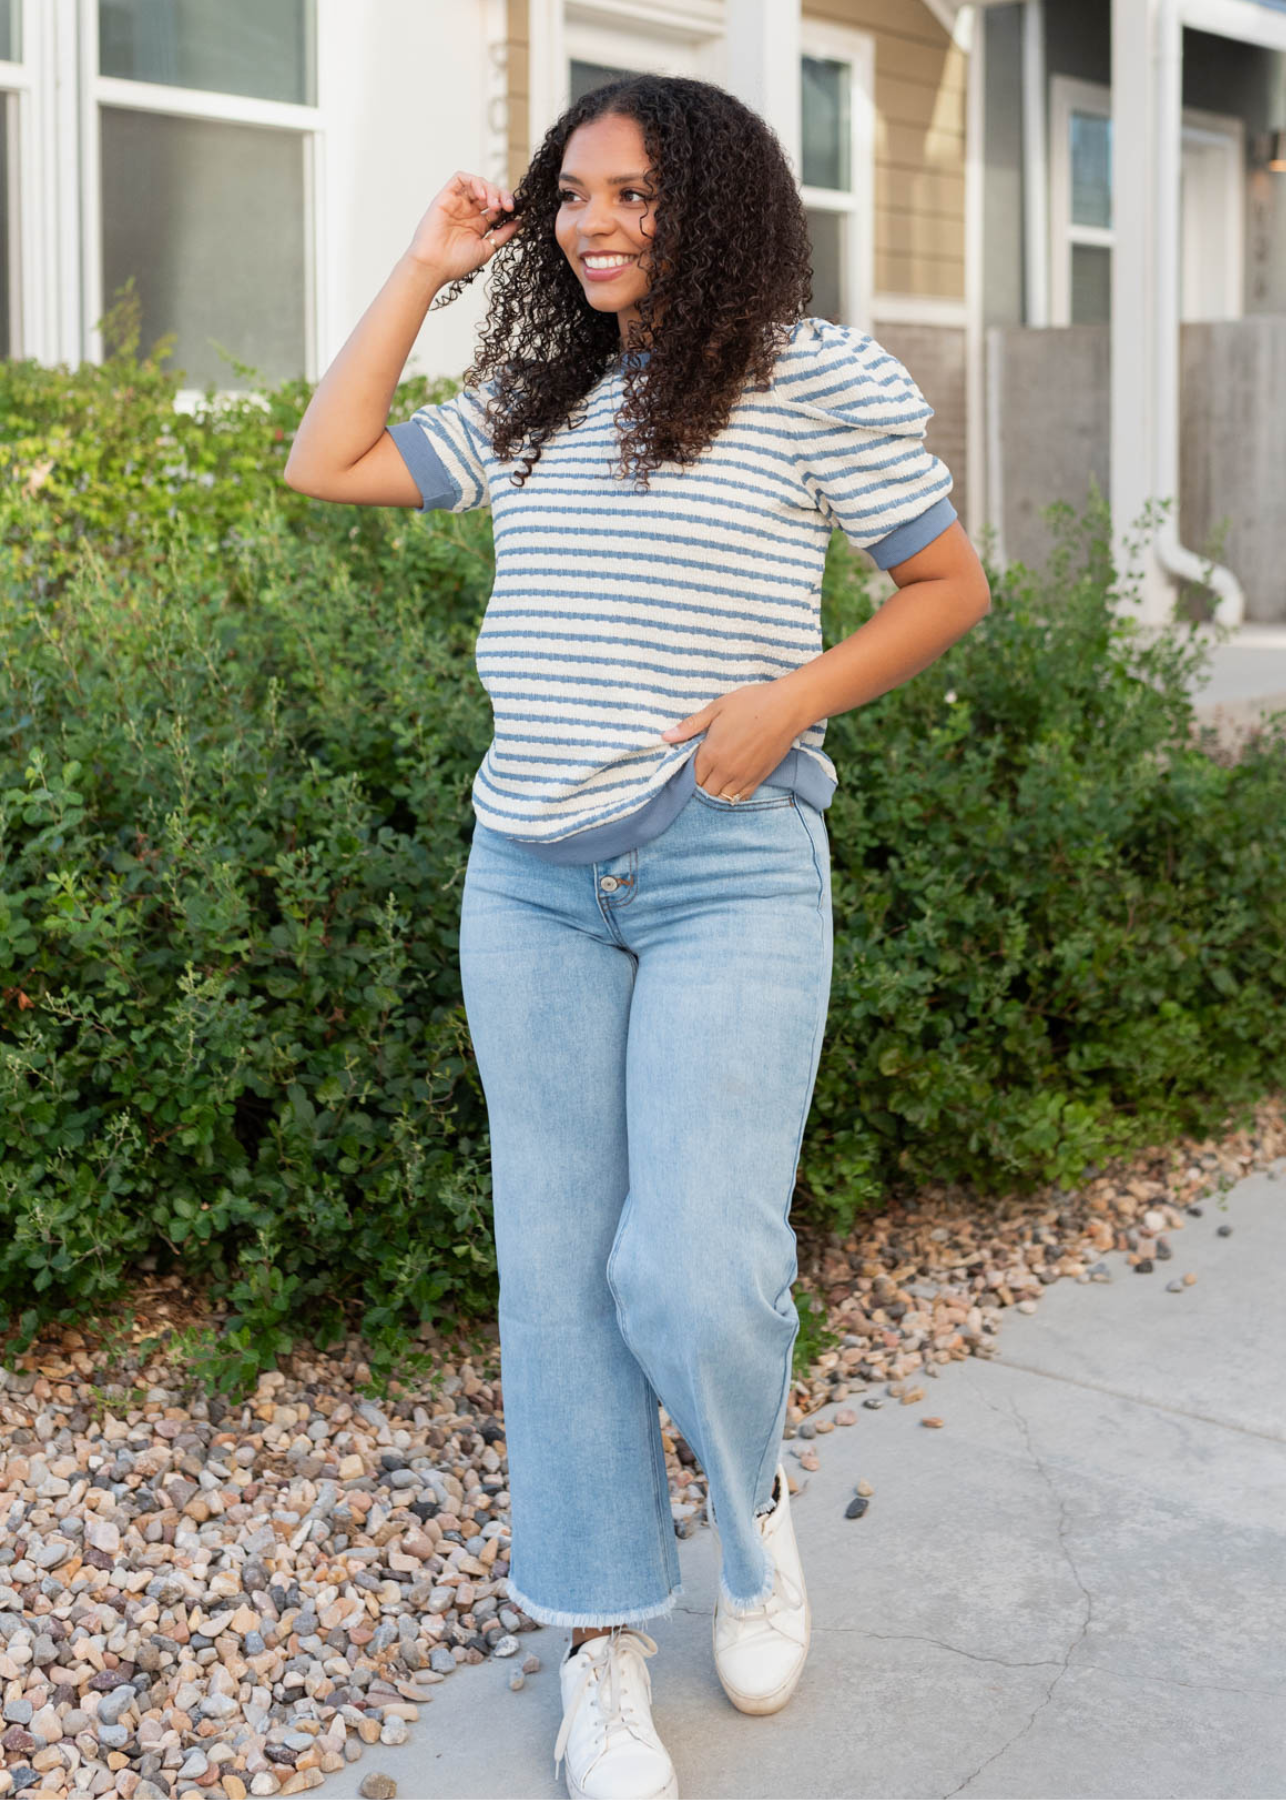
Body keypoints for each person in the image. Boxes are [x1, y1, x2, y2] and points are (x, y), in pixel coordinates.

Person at [285, 71, 990, 1800]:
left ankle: (750, 1509)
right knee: (561, 1275)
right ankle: (600, 1647)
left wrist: (785, 706)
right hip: (526, 883)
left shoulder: (809, 378)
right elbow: (328, 459)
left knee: (688, 1265)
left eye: (638, 195)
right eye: (575, 194)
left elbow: (949, 587)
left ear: (718, 206)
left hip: (725, 862)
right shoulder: (533, 400)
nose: (598, 223)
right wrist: (431, 261)